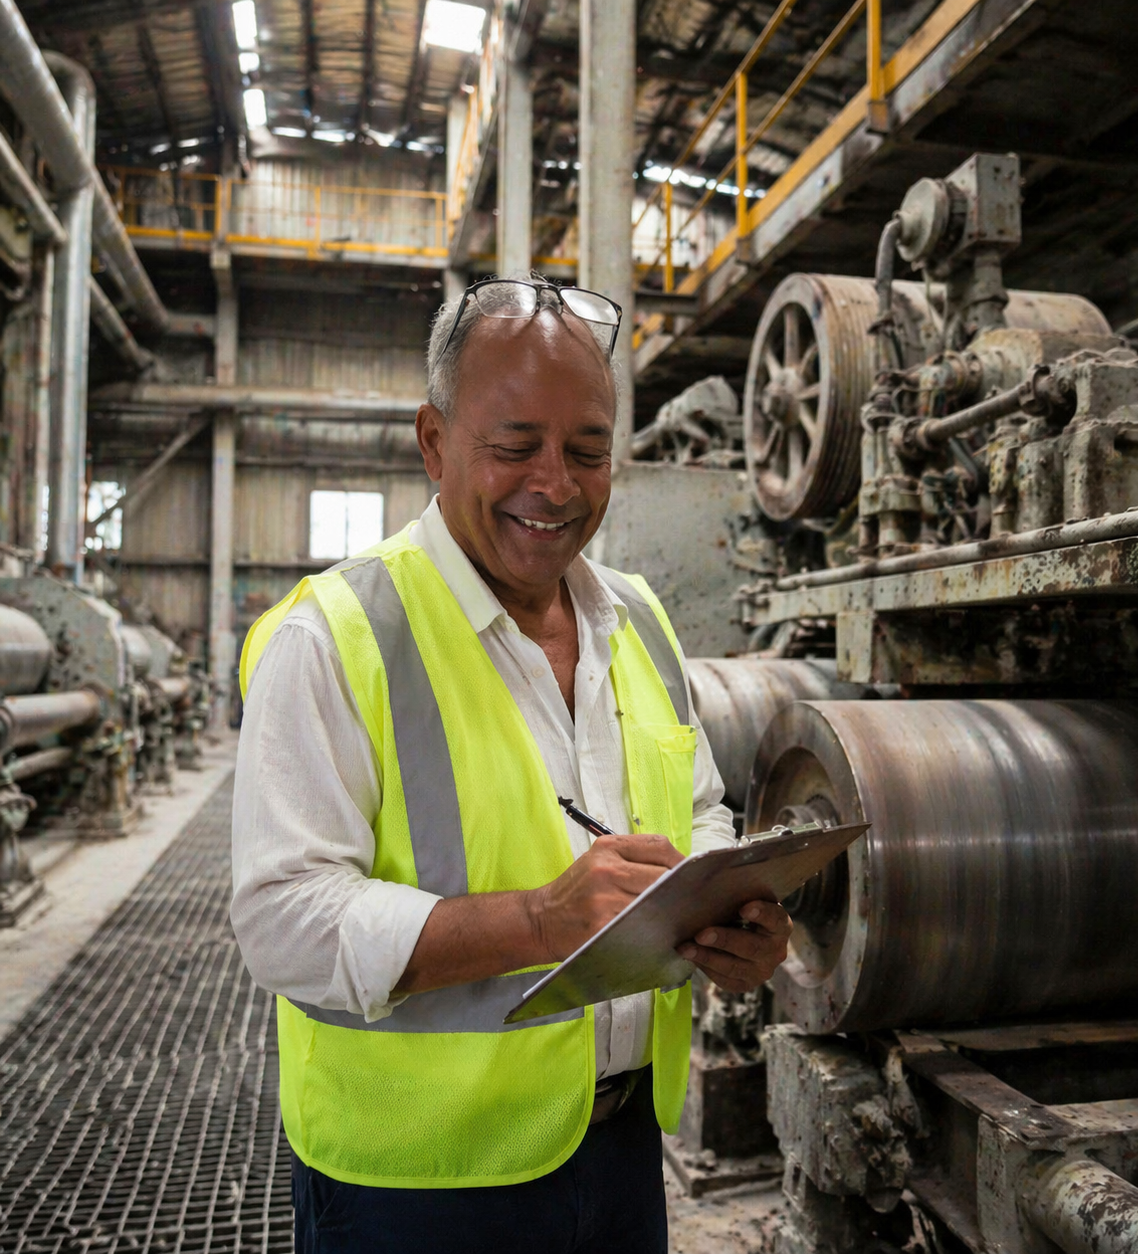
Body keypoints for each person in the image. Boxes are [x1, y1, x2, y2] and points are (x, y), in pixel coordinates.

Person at [231, 277, 793, 1254]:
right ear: (435, 441)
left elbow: (698, 810)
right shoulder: (336, 637)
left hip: (617, 1150)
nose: (557, 485)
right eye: (513, 445)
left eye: (587, 451)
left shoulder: (641, 622)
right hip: (413, 1183)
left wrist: (728, 915)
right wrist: (537, 921)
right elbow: (282, 923)